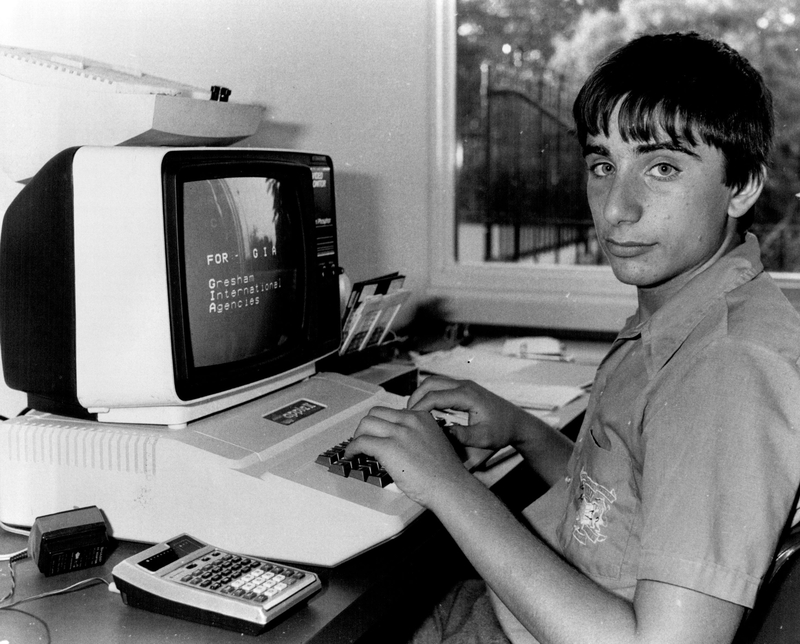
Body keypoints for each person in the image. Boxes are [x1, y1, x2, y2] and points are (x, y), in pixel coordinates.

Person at [346, 31, 800, 644]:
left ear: (742, 187)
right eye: (603, 165)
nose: (617, 207)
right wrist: (522, 430)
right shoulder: (688, 309)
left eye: (662, 167)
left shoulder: (726, 368)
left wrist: (447, 486)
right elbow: (624, 512)